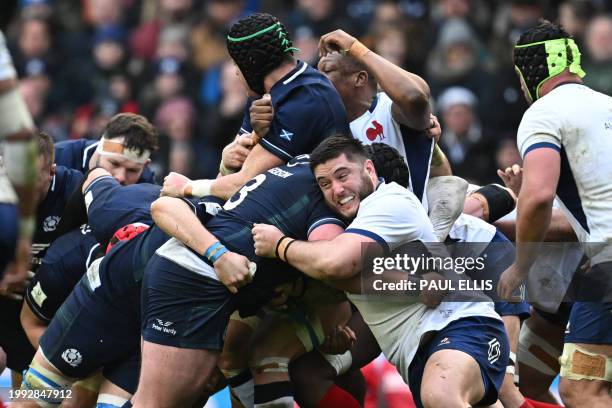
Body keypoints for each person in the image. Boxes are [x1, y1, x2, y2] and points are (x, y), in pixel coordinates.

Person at [252, 135, 509, 407]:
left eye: (343, 176)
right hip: (420, 354)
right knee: (309, 374)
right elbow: (350, 276)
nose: (337, 190)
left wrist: (280, 245)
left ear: (370, 169)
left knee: (444, 397)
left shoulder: (389, 202)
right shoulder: (349, 226)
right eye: (325, 184)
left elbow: (336, 264)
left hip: (462, 326)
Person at [497, 20, 612, 407]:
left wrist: (519, 267)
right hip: (593, 268)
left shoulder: (542, 114)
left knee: (582, 389)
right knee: (531, 379)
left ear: (527, 72)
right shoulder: (607, 105)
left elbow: (539, 197)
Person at [161, 12, 349, 201]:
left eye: (236, 65)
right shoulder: (262, 93)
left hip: (317, 206)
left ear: (252, 62)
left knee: (168, 208)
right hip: (274, 202)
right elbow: (231, 174)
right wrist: (226, 163)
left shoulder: (305, 98)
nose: (236, 73)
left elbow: (243, 185)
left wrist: (187, 187)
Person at [54, 112, 158, 185]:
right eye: (114, 163)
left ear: (145, 165)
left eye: (132, 170)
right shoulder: (58, 157)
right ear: (99, 147)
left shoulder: (147, 184)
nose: (120, 177)